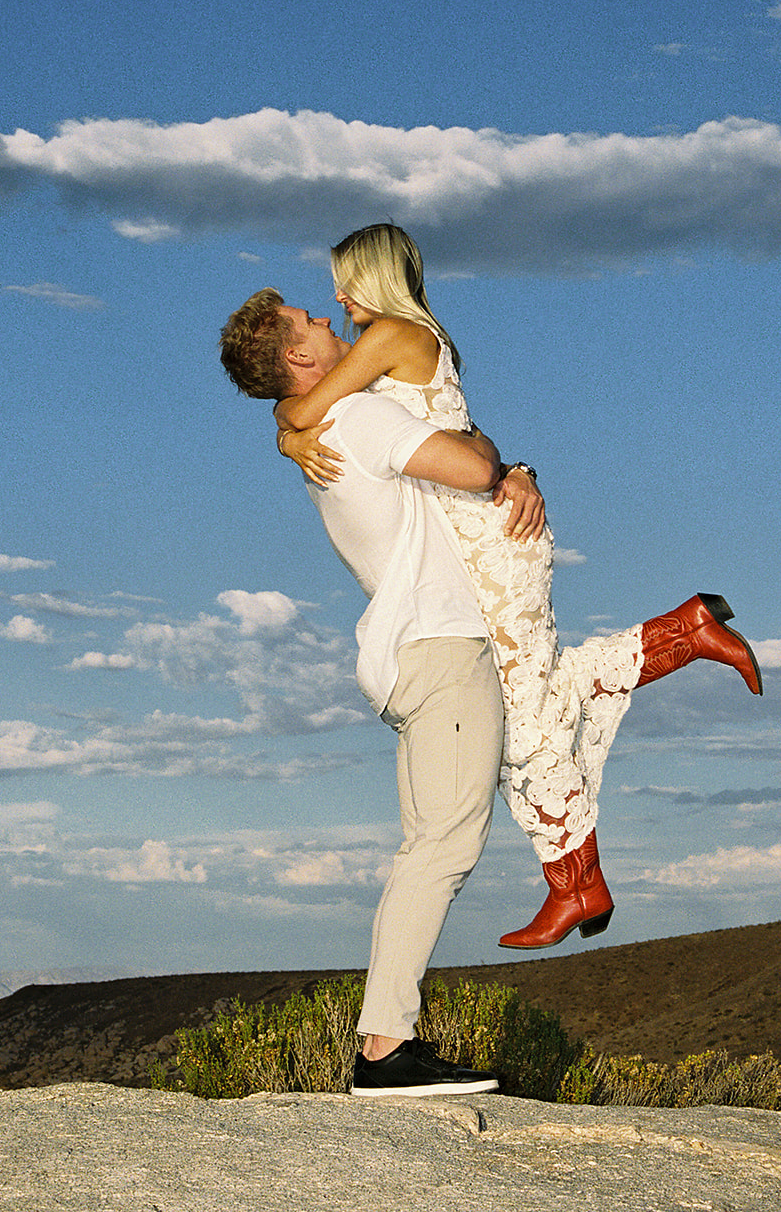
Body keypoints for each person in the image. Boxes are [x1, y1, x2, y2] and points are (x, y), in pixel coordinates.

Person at [255, 227, 764, 951]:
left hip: (492, 543)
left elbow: (306, 404)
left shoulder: (391, 333)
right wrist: (286, 421)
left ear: (374, 278)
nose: (334, 300)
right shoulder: (409, 337)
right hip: (485, 536)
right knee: (538, 695)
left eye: (343, 283)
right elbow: (326, 399)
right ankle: (685, 632)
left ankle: (577, 886)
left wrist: (287, 430)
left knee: (520, 726)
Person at [219, 291, 504, 1097]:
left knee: (435, 839)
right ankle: (383, 1051)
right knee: (443, 845)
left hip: (412, 651)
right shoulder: (356, 421)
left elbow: (297, 418)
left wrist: (285, 428)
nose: (322, 311)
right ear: (302, 360)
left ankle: (386, 1043)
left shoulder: (324, 421)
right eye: (306, 320)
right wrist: (495, 453)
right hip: (440, 645)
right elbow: (477, 469)